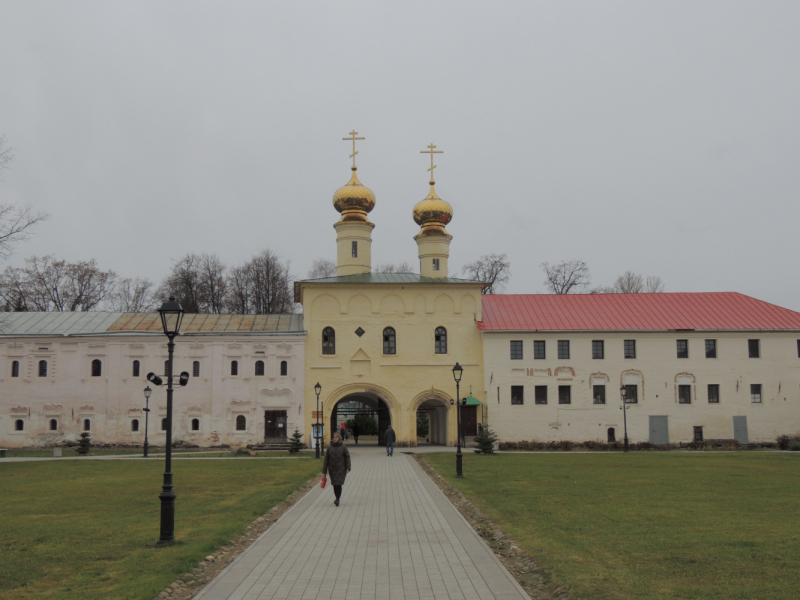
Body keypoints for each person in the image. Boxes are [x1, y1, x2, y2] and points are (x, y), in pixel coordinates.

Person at [323, 431, 351, 507]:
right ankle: (337, 498)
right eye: (334, 437)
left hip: (341, 468)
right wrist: (324, 470)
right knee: (334, 484)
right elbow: (326, 459)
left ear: (339, 438)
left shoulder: (343, 447)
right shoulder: (329, 448)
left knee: (339, 484)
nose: (335, 438)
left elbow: (347, 457)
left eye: (337, 437)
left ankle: (337, 499)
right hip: (332, 469)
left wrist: (348, 467)